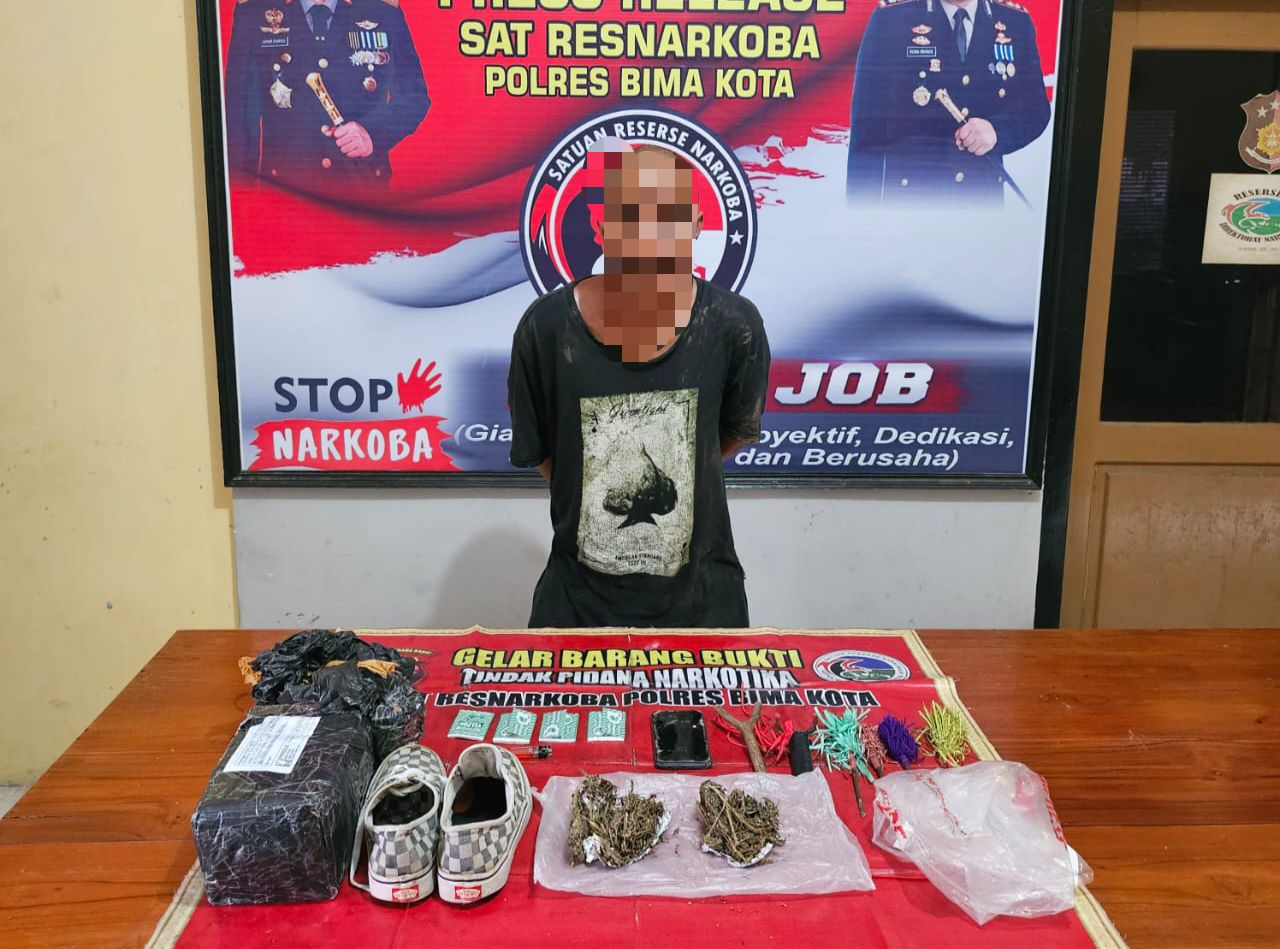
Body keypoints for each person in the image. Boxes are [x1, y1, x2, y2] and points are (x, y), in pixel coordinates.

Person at [507, 143, 771, 629]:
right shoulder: (546, 330)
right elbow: (551, 459)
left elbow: (721, 440)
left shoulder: (735, 327)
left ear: (695, 225)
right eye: (632, 214)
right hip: (577, 609)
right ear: (603, 228)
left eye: (668, 214)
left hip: (703, 607)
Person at [846, 0, 1050, 202]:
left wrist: (997, 131)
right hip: (912, 204)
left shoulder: (1015, 22)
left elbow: (1035, 109)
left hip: (982, 202)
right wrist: (862, 212)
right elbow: (867, 133)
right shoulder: (892, 19)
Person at [224, 0, 429, 192]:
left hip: (362, 193)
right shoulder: (254, 13)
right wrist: (243, 202)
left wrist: (373, 133)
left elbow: (414, 97)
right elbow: (238, 120)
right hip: (286, 196)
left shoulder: (382, 12)